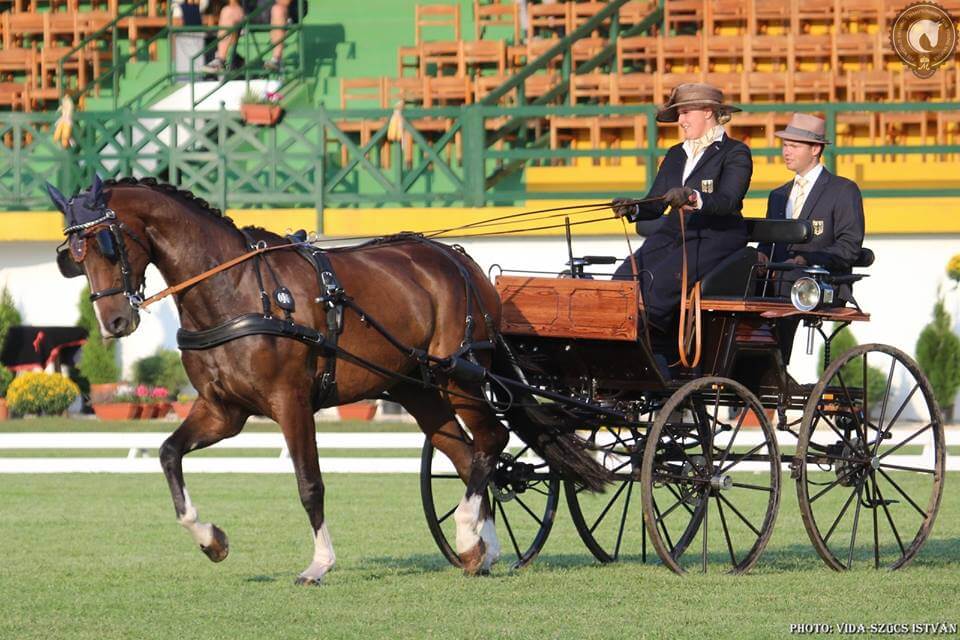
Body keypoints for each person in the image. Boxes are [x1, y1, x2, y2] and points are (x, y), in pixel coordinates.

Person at [612, 82, 753, 336]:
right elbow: (655, 203)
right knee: (623, 281)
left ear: (708, 112)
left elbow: (729, 200)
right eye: (679, 114)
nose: (681, 120)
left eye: (686, 113)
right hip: (673, 233)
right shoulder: (676, 153)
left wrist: (693, 198)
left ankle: (652, 345)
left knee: (660, 285)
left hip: (715, 235)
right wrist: (633, 208)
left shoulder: (735, 152)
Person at [758, 113, 865, 279]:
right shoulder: (777, 195)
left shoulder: (843, 190)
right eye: (785, 145)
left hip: (819, 290)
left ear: (815, 149)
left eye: (794, 146)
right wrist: (761, 255)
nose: (786, 152)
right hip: (777, 290)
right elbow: (768, 242)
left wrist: (806, 260)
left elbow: (849, 246)